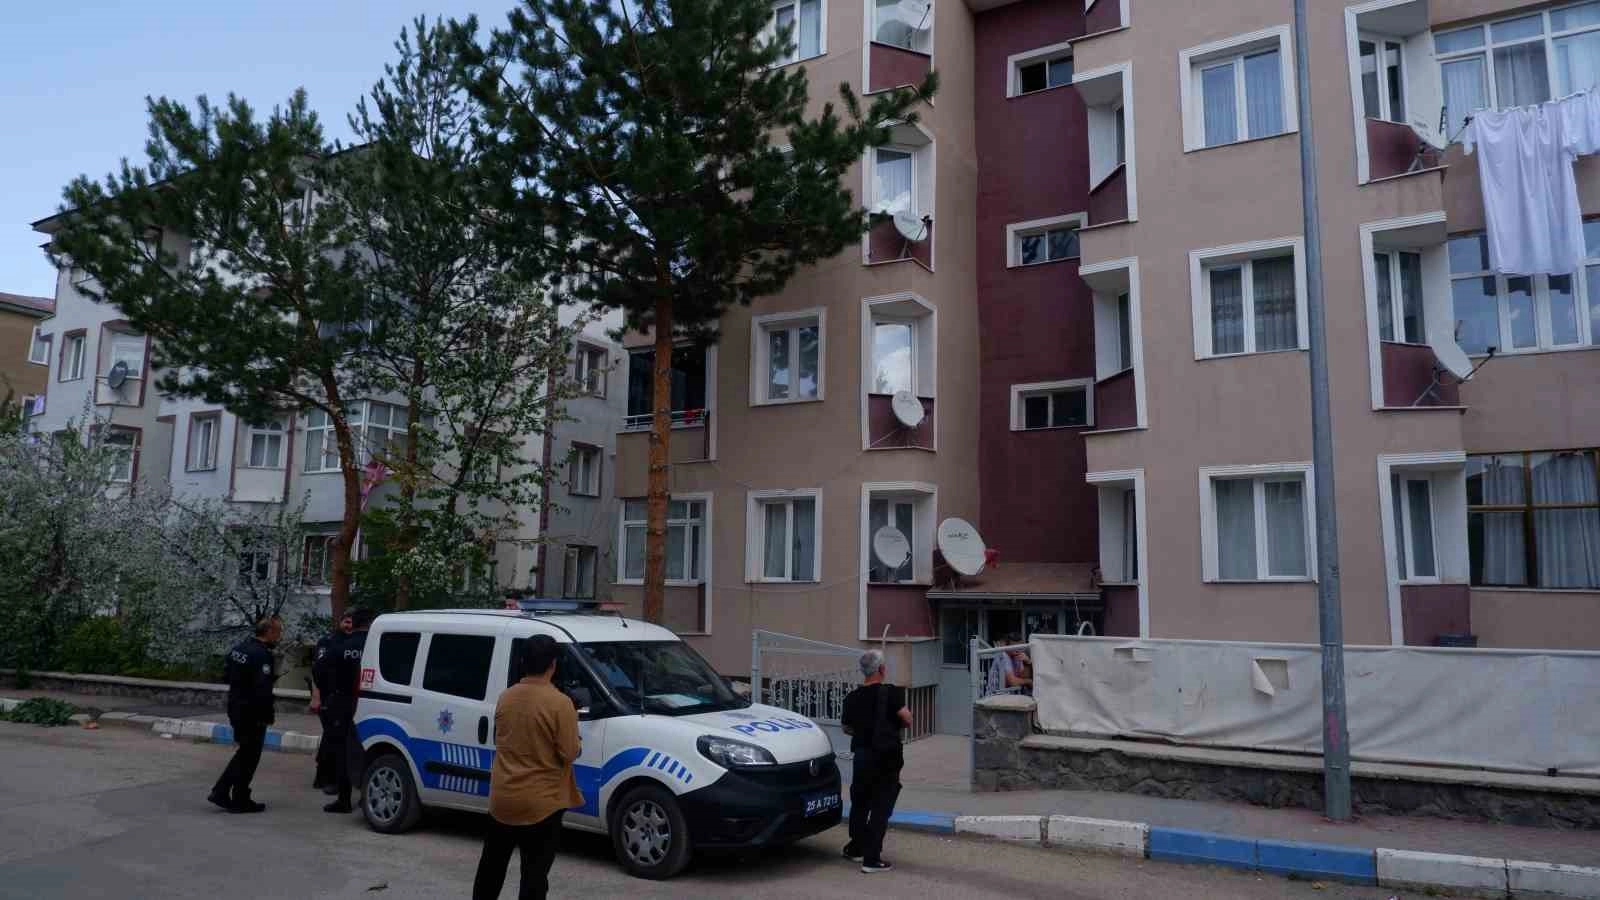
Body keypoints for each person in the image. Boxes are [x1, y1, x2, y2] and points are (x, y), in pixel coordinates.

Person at [473, 634, 583, 900]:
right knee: (534, 876)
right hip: (541, 804)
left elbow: (502, 739)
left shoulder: (506, 697)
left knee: (491, 868)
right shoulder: (560, 703)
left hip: (502, 799)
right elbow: (569, 752)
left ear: (523, 662)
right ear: (553, 665)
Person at [840, 649, 912, 874]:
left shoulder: (852, 697)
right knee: (881, 805)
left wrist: (864, 732)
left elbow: (846, 727)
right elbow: (907, 718)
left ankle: (856, 848)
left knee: (860, 802)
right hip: (886, 757)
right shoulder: (890, 692)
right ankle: (871, 859)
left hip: (862, 756)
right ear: (881, 669)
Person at [209, 615, 282, 813]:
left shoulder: (239, 648)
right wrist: (267, 714)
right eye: (278, 632)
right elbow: (263, 689)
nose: (279, 636)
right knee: (250, 756)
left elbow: (226, 676)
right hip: (253, 711)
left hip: (236, 706)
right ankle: (235, 796)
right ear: (269, 632)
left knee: (244, 752)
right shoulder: (262, 655)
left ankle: (226, 792)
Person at [323, 606, 375, 814]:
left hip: (343, 702)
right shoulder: (376, 645)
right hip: (372, 703)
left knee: (343, 751)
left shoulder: (341, 646)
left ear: (353, 623)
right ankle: (366, 798)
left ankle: (343, 800)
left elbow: (321, 670)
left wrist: (331, 694)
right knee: (370, 749)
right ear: (370, 623)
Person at [310, 613, 353, 794]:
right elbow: (317, 670)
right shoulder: (328, 641)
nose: (349, 626)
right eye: (346, 622)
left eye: (352, 622)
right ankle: (325, 777)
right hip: (327, 696)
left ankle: (324, 776)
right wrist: (316, 697)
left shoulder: (353, 643)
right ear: (339, 622)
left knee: (331, 736)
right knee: (332, 736)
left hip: (342, 696)